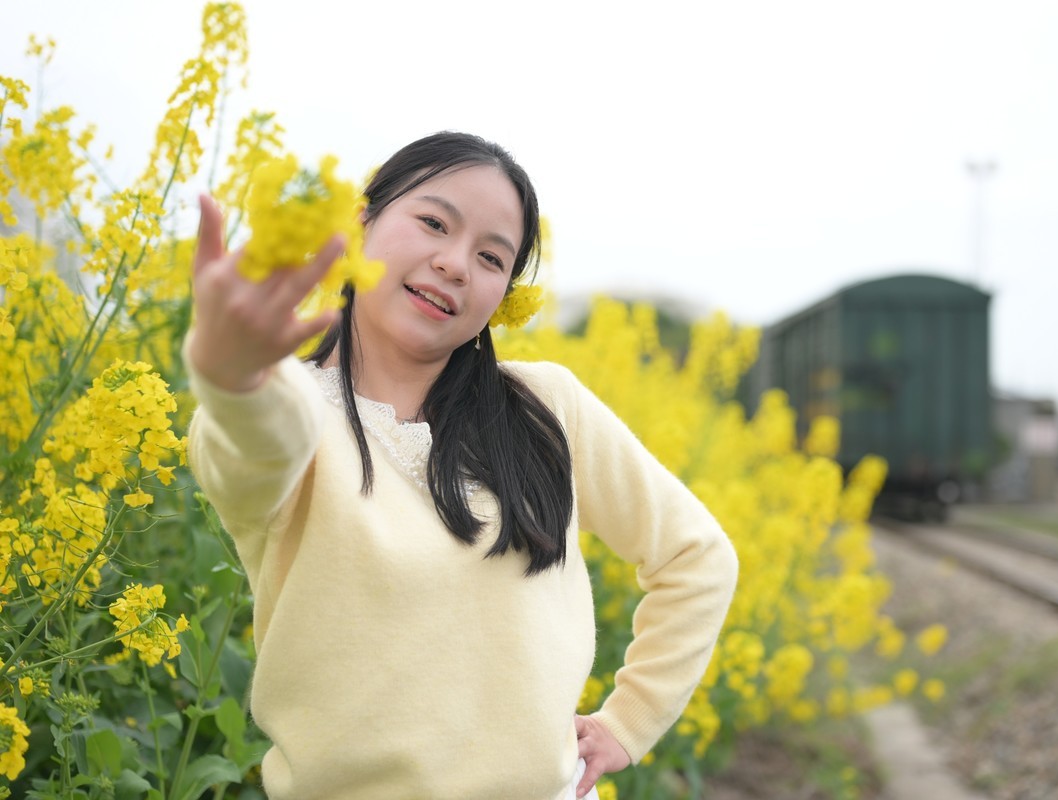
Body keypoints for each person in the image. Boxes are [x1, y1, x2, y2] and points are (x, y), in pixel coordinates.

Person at [184, 131, 738, 800]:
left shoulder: (543, 408)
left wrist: (631, 719)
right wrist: (230, 375)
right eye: (432, 223)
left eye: (490, 257)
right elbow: (251, 443)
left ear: (501, 293)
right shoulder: (291, 416)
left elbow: (697, 556)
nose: (454, 263)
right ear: (361, 226)